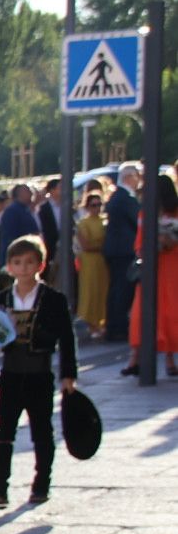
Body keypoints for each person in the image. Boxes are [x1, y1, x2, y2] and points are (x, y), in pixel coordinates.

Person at [0, 235, 77, 506]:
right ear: (9, 267)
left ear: (40, 265)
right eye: (17, 263)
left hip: (40, 374)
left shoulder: (53, 299)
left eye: (29, 262)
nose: (23, 268)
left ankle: (41, 484)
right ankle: (0, 487)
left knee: (41, 431)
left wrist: (68, 374)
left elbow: (67, 337)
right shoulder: (0, 299)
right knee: (4, 431)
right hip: (11, 374)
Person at [123, 171, 178, 378]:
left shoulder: (167, 212)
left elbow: (139, 243)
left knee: (165, 310)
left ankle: (165, 358)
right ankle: (140, 357)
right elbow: (139, 243)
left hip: (167, 266)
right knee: (148, 310)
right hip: (159, 266)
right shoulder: (146, 213)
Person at [103, 162, 142, 342]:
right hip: (123, 250)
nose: (139, 180)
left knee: (116, 289)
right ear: (128, 177)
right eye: (137, 176)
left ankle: (114, 325)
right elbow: (139, 221)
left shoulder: (117, 196)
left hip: (116, 250)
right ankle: (118, 327)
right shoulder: (125, 198)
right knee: (122, 289)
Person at [75, 190, 108, 337]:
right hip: (89, 261)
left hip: (102, 261)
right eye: (94, 205)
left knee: (103, 290)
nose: (97, 208)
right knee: (90, 291)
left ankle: (102, 322)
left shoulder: (105, 221)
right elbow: (85, 245)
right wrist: (103, 246)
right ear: (87, 206)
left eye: (99, 204)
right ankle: (91, 324)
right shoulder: (83, 223)